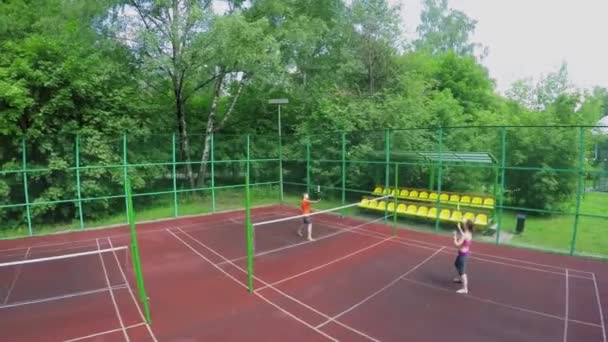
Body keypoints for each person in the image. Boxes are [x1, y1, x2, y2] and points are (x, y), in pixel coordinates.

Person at [453, 218, 474, 294]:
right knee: (456, 264)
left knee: (462, 272)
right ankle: (460, 279)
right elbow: (463, 235)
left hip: (463, 255)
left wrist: (455, 237)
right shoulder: (468, 233)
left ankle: (465, 289)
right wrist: (459, 228)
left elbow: (457, 244)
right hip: (463, 253)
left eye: (464, 224)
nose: (463, 224)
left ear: (466, 226)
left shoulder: (465, 235)